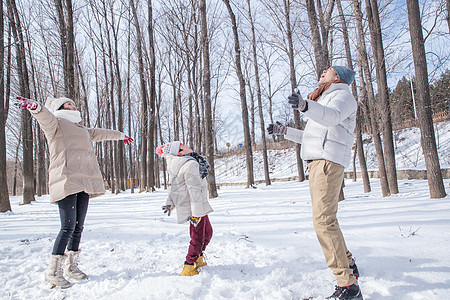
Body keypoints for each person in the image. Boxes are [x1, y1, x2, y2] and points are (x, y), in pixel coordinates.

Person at [16, 96, 134, 288]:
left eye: (73, 103)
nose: (73, 105)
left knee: (78, 227)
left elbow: (103, 133)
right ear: (60, 107)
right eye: (68, 103)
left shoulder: (83, 130)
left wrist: (121, 135)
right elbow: (44, 117)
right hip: (66, 180)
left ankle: (71, 268)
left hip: (84, 182)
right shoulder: (56, 124)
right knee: (67, 227)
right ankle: (53, 272)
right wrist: (36, 108)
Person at [267, 66, 363, 300]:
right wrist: (284, 130)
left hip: (328, 162)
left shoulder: (343, 97)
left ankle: (347, 285)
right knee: (326, 219)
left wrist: (305, 106)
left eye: (327, 70)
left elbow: (331, 117)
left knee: (323, 221)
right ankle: (348, 264)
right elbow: (311, 137)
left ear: (338, 77)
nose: (322, 72)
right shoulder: (324, 99)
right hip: (318, 163)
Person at [156, 141, 213, 276]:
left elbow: (176, 187)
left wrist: (170, 203)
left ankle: (198, 257)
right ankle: (188, 266)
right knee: (198, 237)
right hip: (196, 209)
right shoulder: (191, 165)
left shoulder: (187, 163)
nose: (187, 145)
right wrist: (197, 213)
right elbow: (194, 191)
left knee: (208, 232)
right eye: (183, 145)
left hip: (199, 206)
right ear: (180, 152)